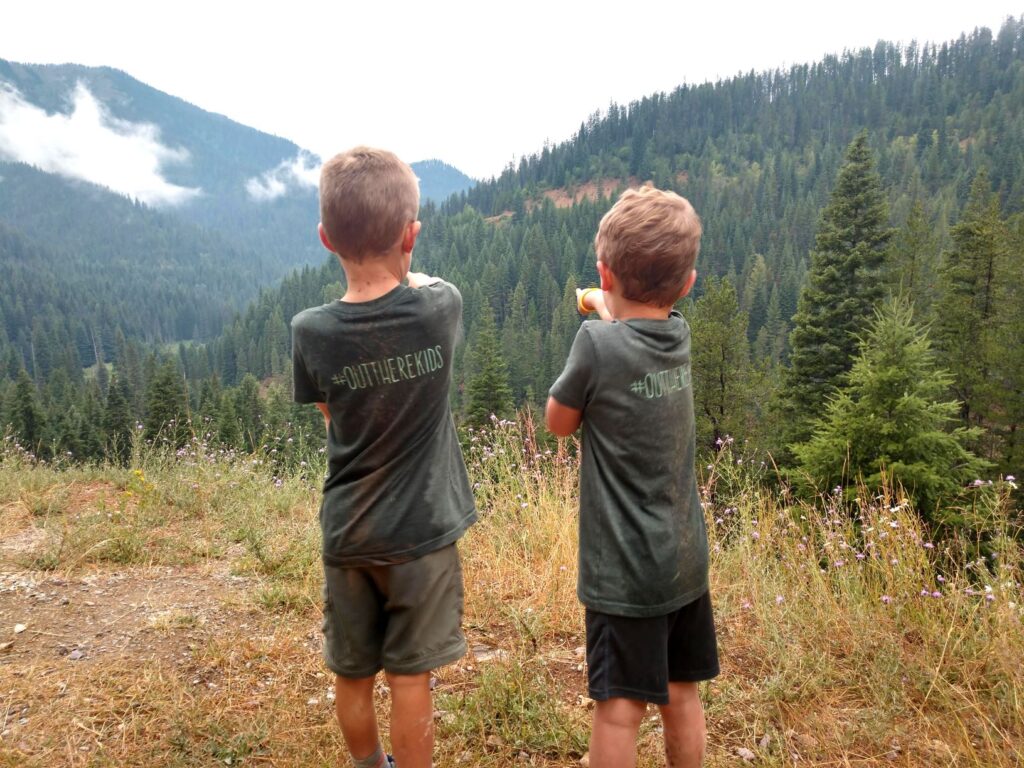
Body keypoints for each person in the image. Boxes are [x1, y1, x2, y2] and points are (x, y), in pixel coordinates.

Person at [291, 146, 476, 768]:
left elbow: (330, 412)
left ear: (324, 238)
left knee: (352, 671)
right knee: (410, 678)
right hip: (422, 533)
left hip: (348, 532)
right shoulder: (439, 309)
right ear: (411, 235)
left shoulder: (310, 331)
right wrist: (409, 268)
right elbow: (429, 285)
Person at [545, 186, 719, 768]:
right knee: (680, 692)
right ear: (687, 283)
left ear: (605, 271)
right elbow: (640, 330)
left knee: (619, 708)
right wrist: (607, 303)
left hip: (624, 573)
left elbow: (559, 423)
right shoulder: (680, 337)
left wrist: (599, 311)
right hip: (685, 561)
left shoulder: (595, 345)